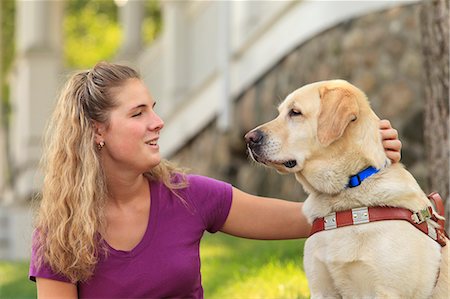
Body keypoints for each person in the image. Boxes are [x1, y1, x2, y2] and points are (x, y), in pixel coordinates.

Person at [29, 62, 402, 298]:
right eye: (138, 113)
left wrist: (363, 156)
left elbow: (316, 219)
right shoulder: (61, 231)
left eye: (154, 109)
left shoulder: (187, 196)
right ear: (98, 131)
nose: (157, 122)